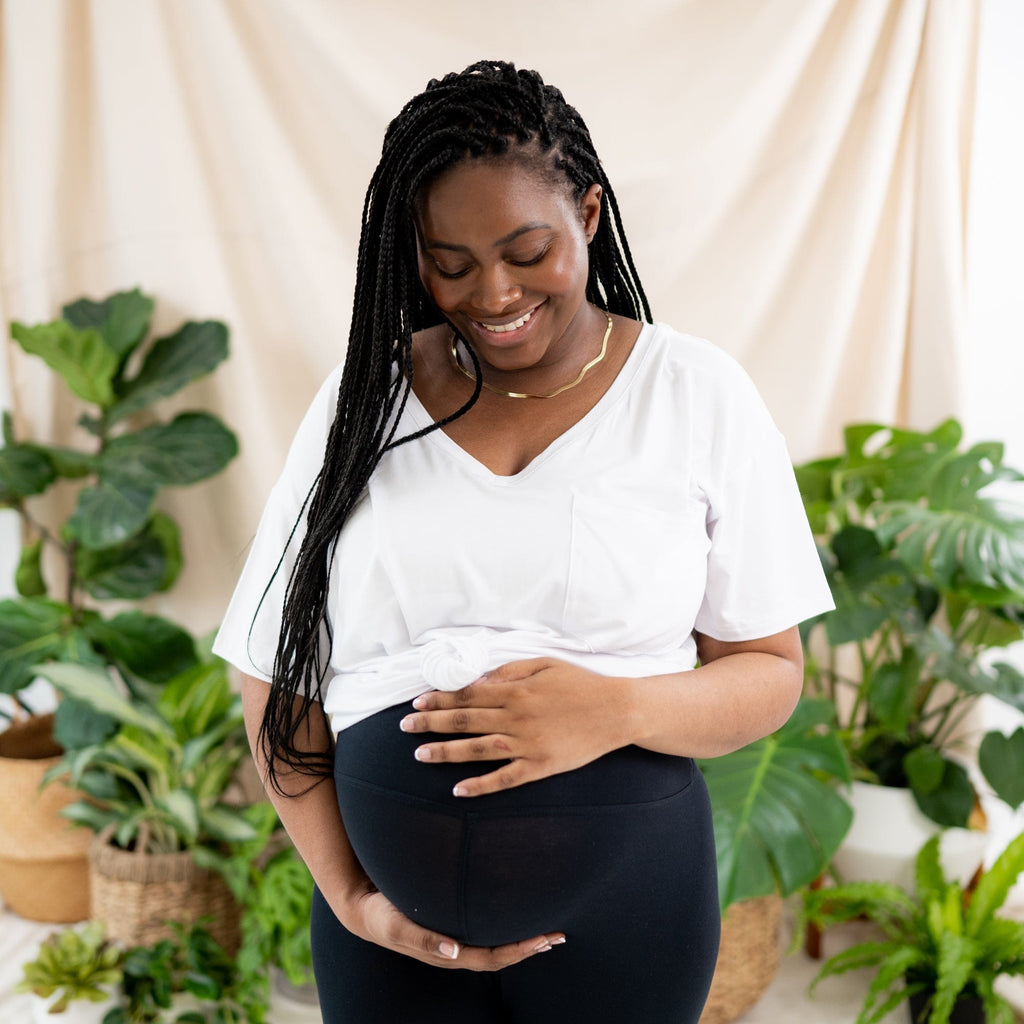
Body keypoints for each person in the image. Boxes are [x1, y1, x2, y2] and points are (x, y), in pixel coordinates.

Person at [213, 59, 834, 1023]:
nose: (493, 294)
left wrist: (614, 711)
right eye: (450, 264)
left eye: (525, 249)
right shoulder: (360, 406)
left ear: (588, 214)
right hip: (386, 933)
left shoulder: (695, 396)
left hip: (630, 915)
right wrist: (349, 897)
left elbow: (770, 672)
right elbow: (273, 665)